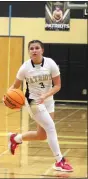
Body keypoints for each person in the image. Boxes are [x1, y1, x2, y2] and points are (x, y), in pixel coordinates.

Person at [5, 40, 73, 172]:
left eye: (37, 48)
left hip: (47, 100)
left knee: (42, 135)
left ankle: (16, 138)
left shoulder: (50, 64)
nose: (34, 50)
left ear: (42, 50)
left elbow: (58, 85)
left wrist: (46, 96)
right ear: (29, 51)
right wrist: (7, 96)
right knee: (51, 127)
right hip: (33, 102)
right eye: (31, 48)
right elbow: (15, 86)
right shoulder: (25, 67)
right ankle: (59, 161)